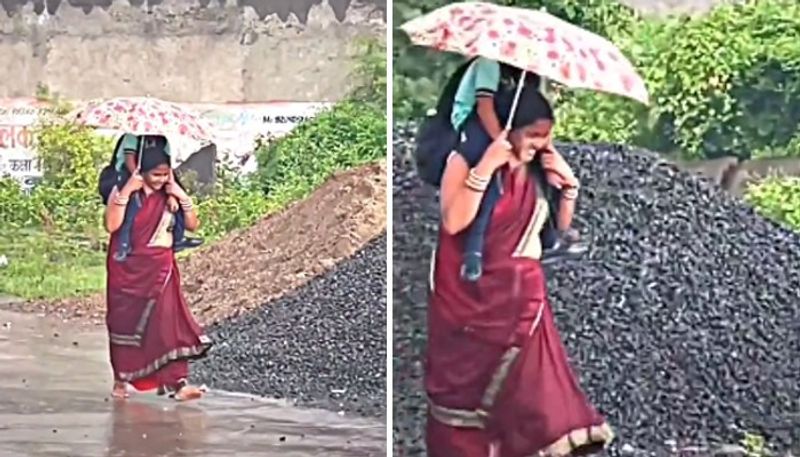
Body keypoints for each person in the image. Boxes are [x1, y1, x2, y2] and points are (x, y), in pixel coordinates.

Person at [424, 86, 613, 457]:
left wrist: (569, 188)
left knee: (533, 398)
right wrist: (486, 168)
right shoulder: (464, 159)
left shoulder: (536, 169)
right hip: (468, 302)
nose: (541, 143)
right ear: (508, 128)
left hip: (522, 303)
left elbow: (554, 232)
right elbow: (454, 220)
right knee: (462, 400)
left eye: (547, 135)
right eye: (533, 135)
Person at [104, 143, 211, 401]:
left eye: (166, 174)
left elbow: (193, 225)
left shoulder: (171, 193)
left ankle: (178, 383)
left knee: (167, 324)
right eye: (156, 175)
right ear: (143, 171)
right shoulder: (126, 190)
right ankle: (121, 380)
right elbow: (111, 225)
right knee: (124, 324)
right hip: (128, 270)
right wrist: (128, 190)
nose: (161, 179)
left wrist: (181, 196)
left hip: (161, 269)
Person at [111, 134, 203, 262]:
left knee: (178, 199)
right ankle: (124, 245)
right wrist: (138, 180)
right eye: (158, 175)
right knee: (131, 210)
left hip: (152, 170)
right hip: (130, 173)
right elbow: (129, 160)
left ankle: (179, 237)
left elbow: (167, 165)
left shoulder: (162, 139)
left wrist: (173, 193)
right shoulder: (131, 137)